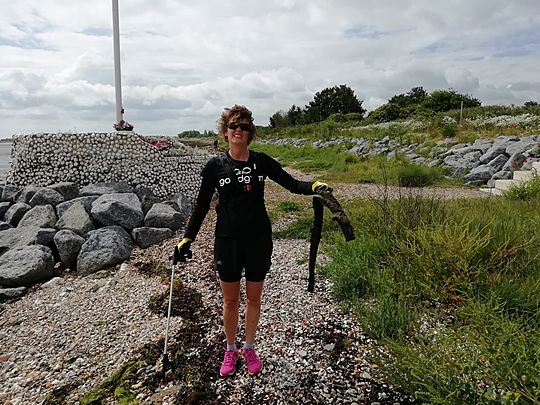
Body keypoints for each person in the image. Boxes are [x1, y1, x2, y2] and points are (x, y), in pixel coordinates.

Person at [174, 105, 331, 377]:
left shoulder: (261, 161)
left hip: (258, 240)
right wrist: (187, 238)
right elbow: (200, 207)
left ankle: (249, 347)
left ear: (250, 133)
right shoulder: (214, 166)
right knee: (230, 301)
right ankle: (230, 349)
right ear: (225, 132)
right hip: (228, 241)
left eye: (244, 126)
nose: (238, 130)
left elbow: (292, 184)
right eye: (234, 125)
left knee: (254, 299)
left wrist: (314, 186)